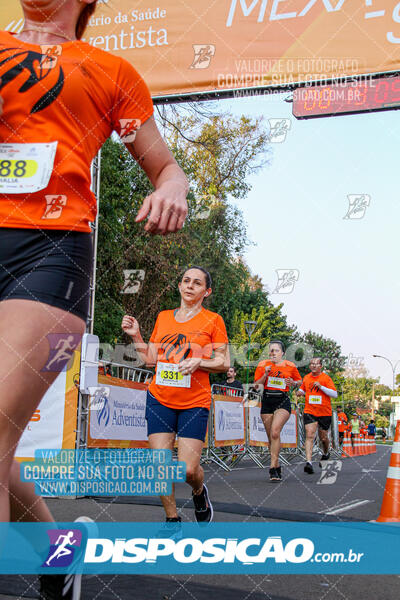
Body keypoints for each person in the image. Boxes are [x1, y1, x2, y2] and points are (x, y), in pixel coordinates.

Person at [0, 2, 188, 598]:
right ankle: (61, 558)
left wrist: (174, 186)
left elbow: (166, 168)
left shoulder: (110, 71)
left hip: (50, 255)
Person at [122, 266, 229, 529]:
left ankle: (198, 492)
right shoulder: (164, 317)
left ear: (207, 291)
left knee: (188, 470)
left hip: (194, 402)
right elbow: (150, 360)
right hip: (160, 398)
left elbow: (224, 362)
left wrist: (200, 362)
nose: (190, 285)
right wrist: (136, 335)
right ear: (179, 286)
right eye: (186, 281)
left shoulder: (213, 320)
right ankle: (172, 520)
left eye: (197, 283)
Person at [254, 341, 302, 482]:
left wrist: (293, 383)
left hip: (282, 400)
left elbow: (299, 381)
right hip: (267, 400)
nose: (273, 353)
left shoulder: (290, 366)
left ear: (282, 353)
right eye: (271, 350)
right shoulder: (263, 365)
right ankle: (277, 465)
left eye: (276, 350)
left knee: (275, 432)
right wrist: (265, 374)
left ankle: (272, 467)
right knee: (271, 437)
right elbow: (256, 386)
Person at [297, 358, 338, 474]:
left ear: (320, 366)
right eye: (312, 364)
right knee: (310, 435)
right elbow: (303, 390)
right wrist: (300, 392)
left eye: (316, 364)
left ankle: (325, 453)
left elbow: (334, 394)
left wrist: (321, 387)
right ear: (310, 366)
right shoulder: (307, 378)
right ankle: (309, 463)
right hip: (310, 411)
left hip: (324, 412)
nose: (314, 366)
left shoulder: (326, 378)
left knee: (323, 438)